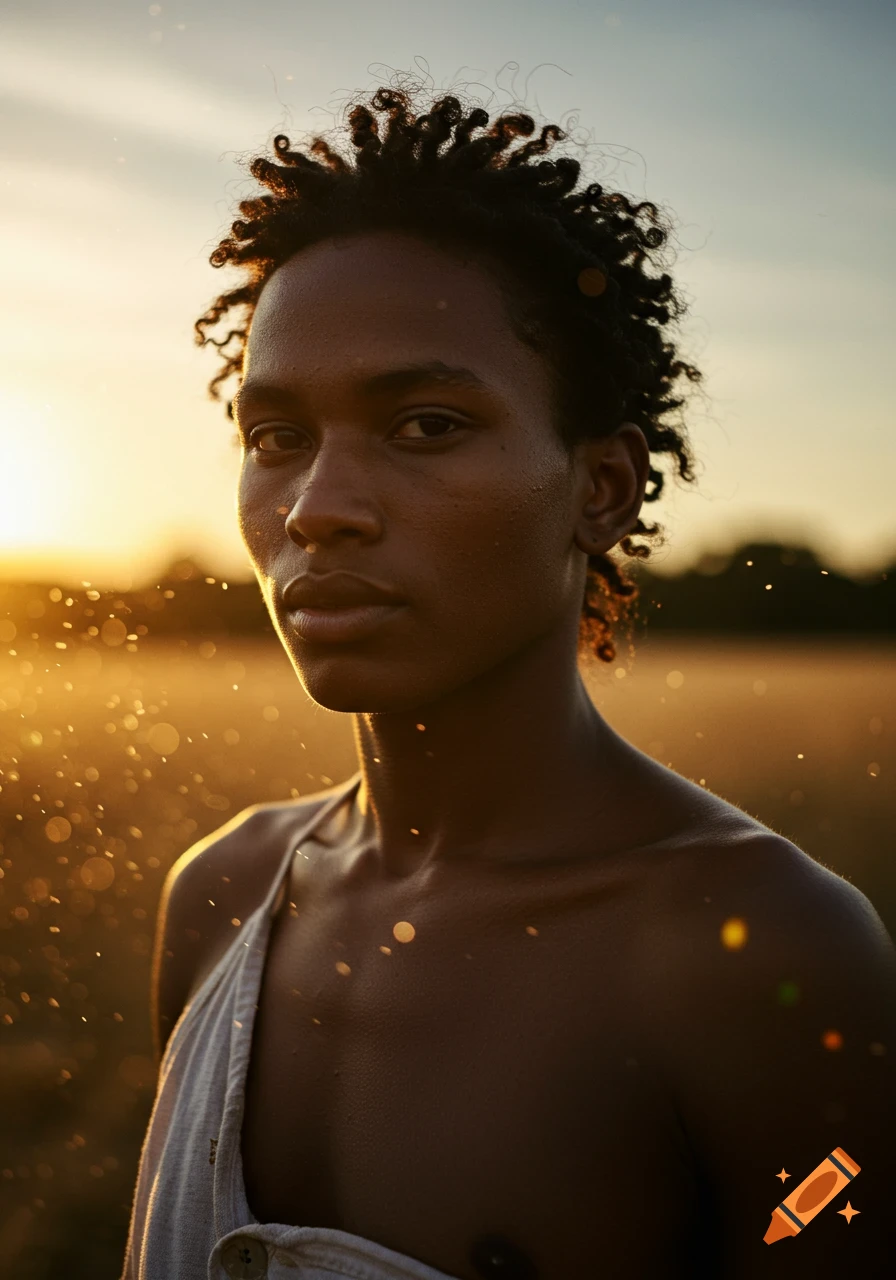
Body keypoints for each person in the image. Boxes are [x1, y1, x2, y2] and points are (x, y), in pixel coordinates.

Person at [121, 81, 896, 1280]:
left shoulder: (758, 955)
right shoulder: (221, 894)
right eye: (277, 438)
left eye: (425, 424)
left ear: (599, 487)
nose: (317, 507)